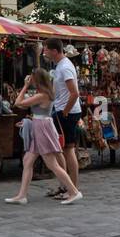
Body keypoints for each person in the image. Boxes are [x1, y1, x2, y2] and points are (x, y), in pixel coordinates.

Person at [6, 68, 82, 205]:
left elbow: (18, 103)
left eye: (33, 78)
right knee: (27, 161)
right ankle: (22, 195)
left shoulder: (43, 95)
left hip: (42, 128)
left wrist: (25, 86)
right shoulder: (43, 93)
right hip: (39, 126)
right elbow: (24, 105)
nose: (31, 80)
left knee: (51, 164)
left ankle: (74, 191)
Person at [45, 40, 82, 201]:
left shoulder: (65, 67)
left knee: (68, 149)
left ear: (54, 50)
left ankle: (72, 188)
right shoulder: (60, 66)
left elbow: (74, 93)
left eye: (46, 50)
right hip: (60, 111)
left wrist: (65, 112)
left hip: (66, 112)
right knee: (61, 149)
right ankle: (66, 186)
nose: (44, 52)